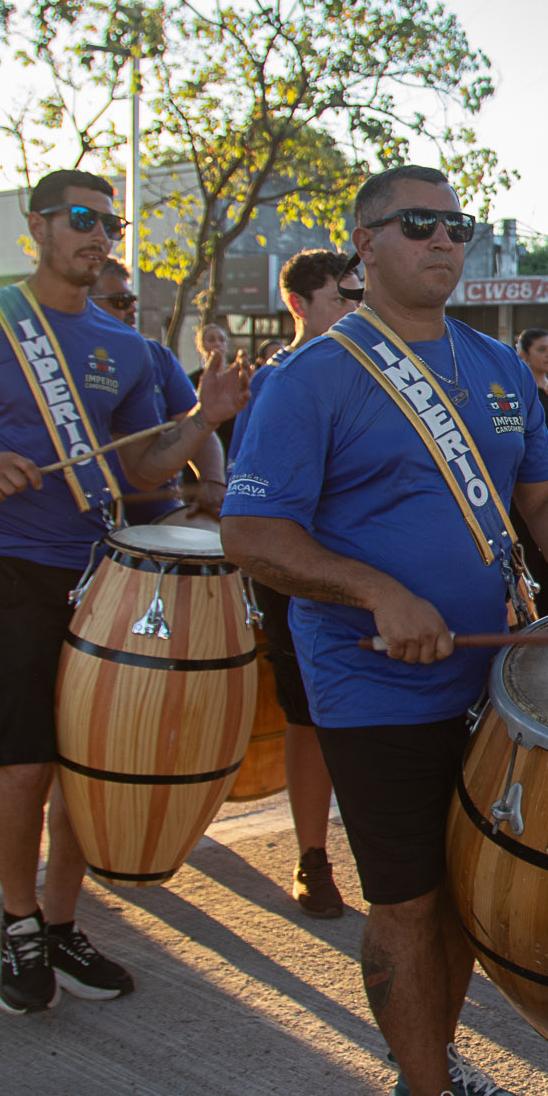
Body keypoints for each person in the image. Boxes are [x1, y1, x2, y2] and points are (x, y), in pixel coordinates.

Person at [221, 166, 548, 1096]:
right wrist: (374, 589)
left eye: (456, 224)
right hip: (372, 684)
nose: (443, 238)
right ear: (365, 245)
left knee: (469, 890)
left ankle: (425, 1057)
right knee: (409, 900)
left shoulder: (488, 362)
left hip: (494, 670)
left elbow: (544, 492)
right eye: (417, 223)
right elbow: (251, 533)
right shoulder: (313, 378)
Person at [0, 168, 250, 1016]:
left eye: (109, 224)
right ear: (37, 228)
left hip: (104, 569)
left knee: (87, 758)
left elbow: (141, 471)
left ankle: (65, 921)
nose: (98, 235)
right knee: (26, 756)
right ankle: (17, 922)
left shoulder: (119, 345)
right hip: (14, 569)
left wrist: (205, 421)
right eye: (81, 219)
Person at [236, 246, 363, 917]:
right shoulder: (278, 379)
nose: (354, 307)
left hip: (370, 573)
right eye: (342, 297)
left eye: (357, 295)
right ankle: (313, 855)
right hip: (302, 575)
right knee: (308, 716)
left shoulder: (376, 370)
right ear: (298, 304)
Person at [89, 259, 227, 523]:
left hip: (154, 520)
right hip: (80, 525)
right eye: (120, 300)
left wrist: (211, 481)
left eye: (133, 299)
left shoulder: (157, 357)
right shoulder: (59, 359)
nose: (132, 309)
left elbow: (195, 426)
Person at [510, 328, 548, 615]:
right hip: (518, 484)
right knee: (526, 554)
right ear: (524, 354)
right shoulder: (513, 389)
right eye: (542, 349)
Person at [190, 320, 241, 452]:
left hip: (233, 443)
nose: (217, 344)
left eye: (221, 340)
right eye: (211, 340)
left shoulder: (237, 377)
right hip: (204, 443)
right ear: (201, 346)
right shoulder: (192, 380)